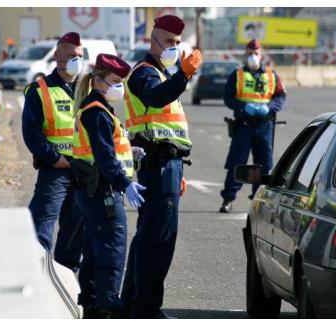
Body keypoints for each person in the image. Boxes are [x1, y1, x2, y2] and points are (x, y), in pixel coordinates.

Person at [121, 14, 203, 318]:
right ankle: (146, 310)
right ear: (152, 41)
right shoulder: (145, 73)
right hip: (158, 165)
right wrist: (184, 75)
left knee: (147, 238)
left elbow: (170, 129)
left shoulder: (162, 74)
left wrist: (178, 169)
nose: (175, 48)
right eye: (169, 42)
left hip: (168, 165)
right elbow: (156, 100)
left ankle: (131, 305)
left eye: (178, 43)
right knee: (158, 241)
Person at [72, 53, 146, 318]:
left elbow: (106, 148)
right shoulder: (98, 112)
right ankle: (108, 304)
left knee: (95, 246)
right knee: (113, 246)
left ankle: (92, 301)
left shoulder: (97, 108)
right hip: (103, 189)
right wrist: (126, 184)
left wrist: (130, 150)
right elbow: (104, 158)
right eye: (116, 81)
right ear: (99, 81)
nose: (120, 87)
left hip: (93, 188)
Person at [22, 32, 84, 270]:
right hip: (55, 170)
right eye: (70, 56)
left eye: (79, 56)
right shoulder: (39, 89)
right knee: (41, 226)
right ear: (57, 56)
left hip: (81, 170)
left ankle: (66, 282)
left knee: (75, 231)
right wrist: (54, 158)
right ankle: (37, 276)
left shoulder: (87, 90)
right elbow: (31, 132)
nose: (75, 61)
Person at [219, 39, 287, 213]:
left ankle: (259, 201)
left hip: (264, 126)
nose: (253, 57)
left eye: (255, 53)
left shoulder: (272, 75)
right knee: (237, 162)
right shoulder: (238, 74)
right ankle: (228, 199)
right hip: (244, 125)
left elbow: (280, 96)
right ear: (245, 54)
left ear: (261, 55)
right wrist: (243, 106)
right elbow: (228, 98)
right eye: (249, 53)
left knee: (264, 165)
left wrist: (270, 108)